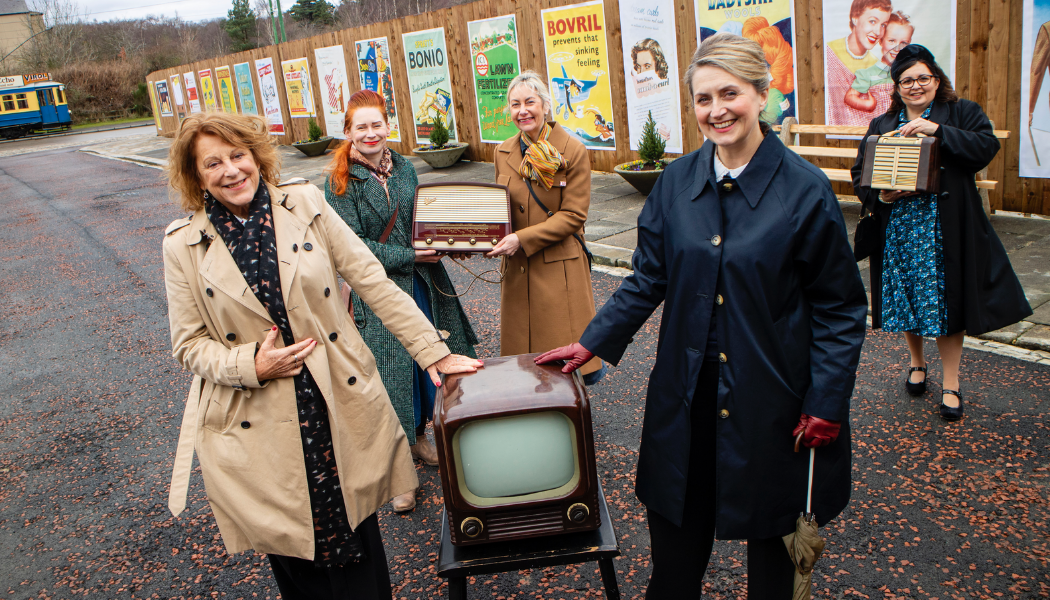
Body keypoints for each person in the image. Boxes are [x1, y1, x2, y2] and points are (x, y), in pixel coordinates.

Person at [537, 34, 867, 598]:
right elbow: (648, 277)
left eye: (729, 93)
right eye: (703, 99)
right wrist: (592, 341)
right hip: (684, 397)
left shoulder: (805, 192)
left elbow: (840, 309)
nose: (716, 110)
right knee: (674, 560)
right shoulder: (676, 182)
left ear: (762, 94)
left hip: (775, 402)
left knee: (775, 562)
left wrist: (826, 403)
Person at [162, 111, 482, 599]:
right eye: (212, 163)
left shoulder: (305, 202)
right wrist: (250, 365)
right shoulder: (183, 245)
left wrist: (432, 352)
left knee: (356, 541)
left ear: (256, 156)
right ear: (195, 175)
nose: (230, 171)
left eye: (238, 155)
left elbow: (372, 279)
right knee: (294, 555)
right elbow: (188, 346)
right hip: (260, 420)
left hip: (333, 401)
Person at [850, 45, 1032, 421]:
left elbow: (985, 147)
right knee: (906, 301)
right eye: (906, 81)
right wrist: (878, 195)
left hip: (943, 228)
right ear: (896, 86)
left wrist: (939, 131)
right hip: (898, 230)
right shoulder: (883, 124)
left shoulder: (961, 112)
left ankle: (951, 384)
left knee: (946, 305)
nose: (915, 86)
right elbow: (860, 172)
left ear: (936, 80)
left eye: (922, 78)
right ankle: (917, 364)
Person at [324, 90, 479, 513]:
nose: (371, 133)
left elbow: (421, 220)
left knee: (431, 361)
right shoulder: (339, 181)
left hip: (425, 282)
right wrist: (411, 254)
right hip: (378, 292)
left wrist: (452, 239)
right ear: (348, 132)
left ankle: (423, 437)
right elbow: (351, 249)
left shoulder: (406, 167)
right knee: (390, 379)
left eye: (377, 125)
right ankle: (398, 477)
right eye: (362, 127)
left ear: (388, 126)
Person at [488, 70, 605, 385]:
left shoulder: (572, 150)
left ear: (545, 105)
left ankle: (570, 424)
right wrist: (478, 236)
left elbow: (573, 216)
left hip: (558, 267)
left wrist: (520, 239)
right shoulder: (502, 152)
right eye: (515, 104)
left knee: (567, 370)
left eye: (529, 102)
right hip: (517, 268)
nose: (522, 110)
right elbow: (500, 209)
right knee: (525, 370)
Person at [826, 0, 892, 126]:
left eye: (883, 25)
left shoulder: (876, 66)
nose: (878, 32)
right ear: (855, 17)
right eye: (872, 21)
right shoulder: (828, 52)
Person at [844, 11, 913, 113]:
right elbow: (850, 96)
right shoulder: (868, 74)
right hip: (880, 124)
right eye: (891, 41)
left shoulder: (910, 72)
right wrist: (866, 104)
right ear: (881, 41)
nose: (897, 48)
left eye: (904, 43)